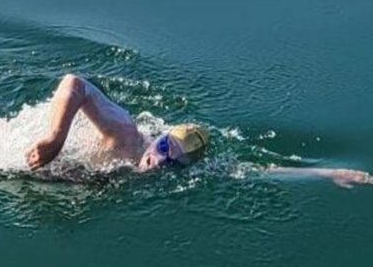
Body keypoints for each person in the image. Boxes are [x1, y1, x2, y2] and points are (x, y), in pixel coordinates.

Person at [24, 74, 371, 187]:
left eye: (171, 162)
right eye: (161, 149)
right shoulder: (125, 134)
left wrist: (328, 172)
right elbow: (74, 83)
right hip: (38, 153)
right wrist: (55, 139)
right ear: (157, 139)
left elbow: (256, 169)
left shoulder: (189, 168)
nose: (158, 163)